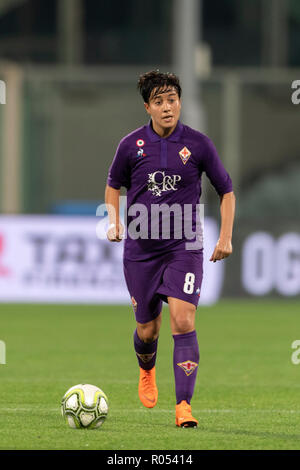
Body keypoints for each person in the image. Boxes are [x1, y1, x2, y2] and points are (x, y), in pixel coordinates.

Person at [105, 70, 235, 427]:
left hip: (185, 245)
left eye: (172, 100)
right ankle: (147, 370)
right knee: (148, 330)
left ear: (180, 102)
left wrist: (225, 237)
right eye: (159, 102)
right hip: (141, 248)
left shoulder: (198, 144)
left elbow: (226, 190)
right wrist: (114, 221)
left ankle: (183, 406)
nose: (167, 107)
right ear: (147, 106)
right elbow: (113, 185)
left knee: (183, 319)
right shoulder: (130, 145)